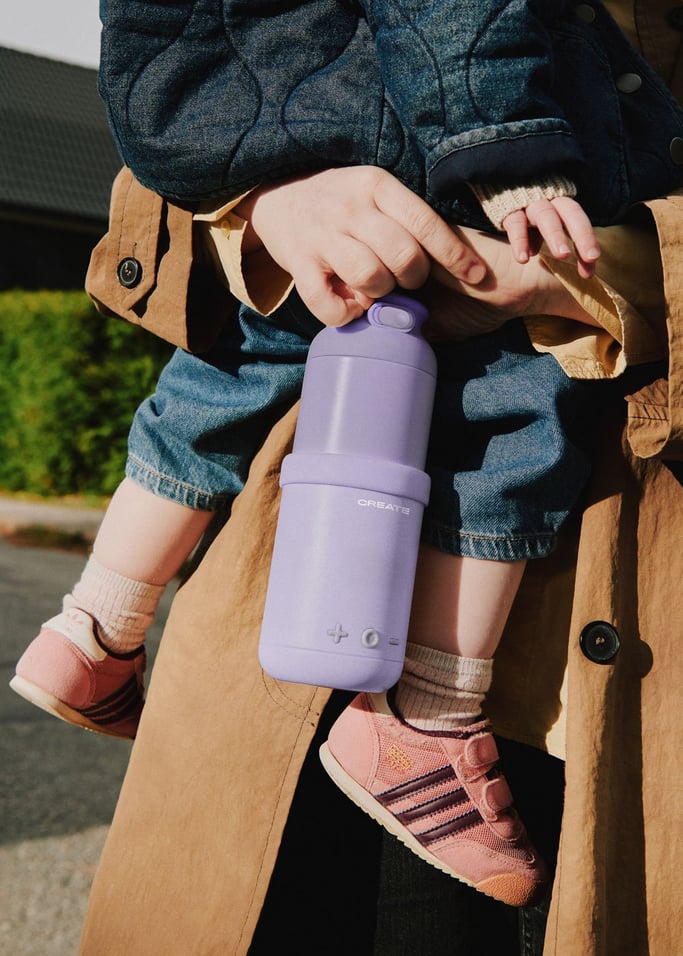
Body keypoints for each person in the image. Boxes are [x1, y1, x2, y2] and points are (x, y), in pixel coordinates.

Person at [12, 0, 683, 919]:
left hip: (319, 178)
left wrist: (253, 166)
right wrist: (267, 205)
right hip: (460, 202)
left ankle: (94, 625)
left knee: (218, 383)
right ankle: (430, 720)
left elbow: (158, 68)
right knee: (518, 406)